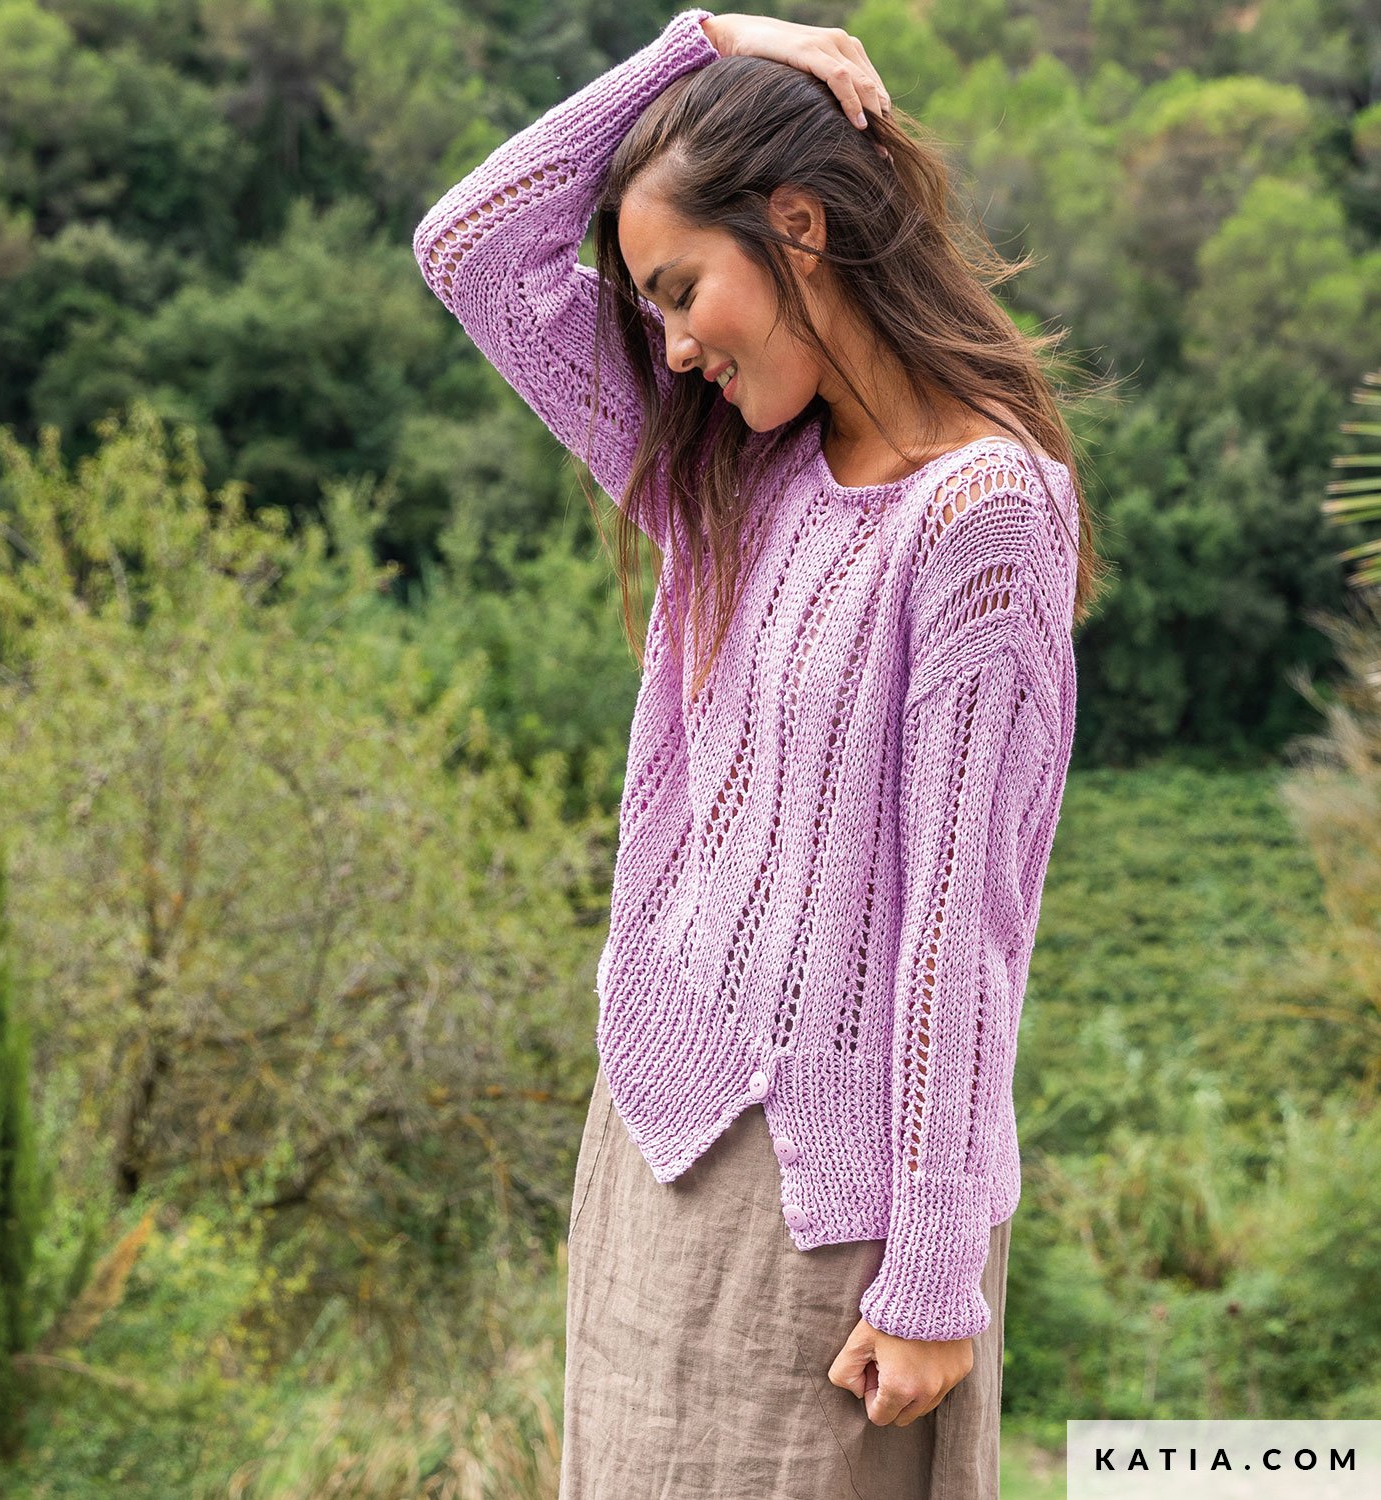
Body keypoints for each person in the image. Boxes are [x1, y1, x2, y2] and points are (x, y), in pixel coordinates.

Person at [413, 8, 1103, 1496]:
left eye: (682, 289)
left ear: (799, 227)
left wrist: (933, 1273)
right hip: (658, 1129)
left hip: (832, 1205)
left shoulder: (982, 515)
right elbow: (471, 249)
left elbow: (962, 925)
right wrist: (712, 43)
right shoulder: (726, 471)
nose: (669, 346)